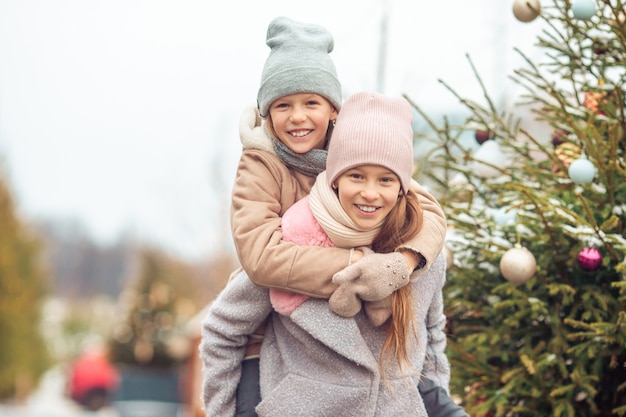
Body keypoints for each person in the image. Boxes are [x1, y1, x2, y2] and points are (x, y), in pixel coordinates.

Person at [202, 16, 449, 416]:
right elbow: (262, 258)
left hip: (342, 332)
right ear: (267, 114)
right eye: (283, 105)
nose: (298, 117)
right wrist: (356, 264)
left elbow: (428, 210)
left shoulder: (355, 152)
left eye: (311, 103)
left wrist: (401, 262)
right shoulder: (260, 164)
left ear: (333, 109)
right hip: (266, 327)